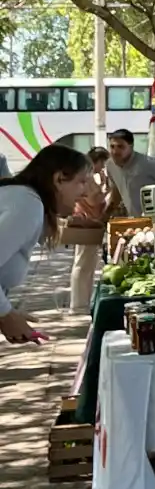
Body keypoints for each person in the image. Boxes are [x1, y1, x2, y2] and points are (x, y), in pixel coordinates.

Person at [0, 145, 92, 344]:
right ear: (59, 179)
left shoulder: (23, 199)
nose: (85, 192)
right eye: (82, 182)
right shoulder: (27, 204)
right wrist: (6, 315)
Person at [68, 147, 111, 313]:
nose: (103, 167)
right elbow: (94, 200)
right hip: (87, 223)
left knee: (87, 263)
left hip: (89, 222)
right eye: (103, 163)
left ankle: (83, 302)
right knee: (83, 263)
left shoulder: (87, 176)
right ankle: (78, 304)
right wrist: (106, 187)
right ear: (97, 161)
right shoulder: (88, 177)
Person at [104, 130, 155, 219]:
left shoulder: (146, 163)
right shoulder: (110, 165)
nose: (115, 151)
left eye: (120, 147)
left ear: (131, 147)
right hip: (134, 219)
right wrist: (106, 213)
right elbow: (116, 190)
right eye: (112, 146)